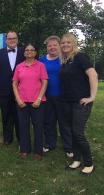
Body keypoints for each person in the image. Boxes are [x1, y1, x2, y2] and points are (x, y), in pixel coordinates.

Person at [59, 34, 98, 174]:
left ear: (73, 43)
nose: (65, 45)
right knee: (72, 132)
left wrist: (92, 97)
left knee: (78, 133)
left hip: (81, 102)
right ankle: (77, 160)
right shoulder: (65, 61)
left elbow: (93, 75)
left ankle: (89, 163)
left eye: (68, 42)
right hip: (68, 101)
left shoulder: (80, 57)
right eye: (62, 43)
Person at [12, 43, 48, 160]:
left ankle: (38, 150)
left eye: (32, 50)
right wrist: (18, 99)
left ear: (35, 53)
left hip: (38, 101)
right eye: (27, 50)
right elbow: (14, 83)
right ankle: (24, 148)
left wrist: (38, 99)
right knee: (23, 126)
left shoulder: (40, 66)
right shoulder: (19, 67)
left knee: (38, 126)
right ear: (24, 53)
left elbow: (44, 82)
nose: (29, 52)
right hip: (22, 101)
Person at [39, 36, 73, 157]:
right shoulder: (41, 60)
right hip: (47, 96)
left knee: (64, 122)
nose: (52, 47)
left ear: (59, 46)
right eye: (49, 45)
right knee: (49, 121)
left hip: (63, 96)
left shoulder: (66, 59)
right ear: (47, 47)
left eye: (55, 45)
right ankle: (50, 144)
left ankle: (69, 147)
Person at [0, 30, 25, 146]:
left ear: (17, 39)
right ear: (6, 40)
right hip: (4, 89)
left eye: (14, 38)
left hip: (21, 90)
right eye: (10, 39)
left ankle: (22, 138)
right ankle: (7, 139)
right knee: (6, 115)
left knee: (20, 115)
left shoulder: (24, 52)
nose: (12, 40)